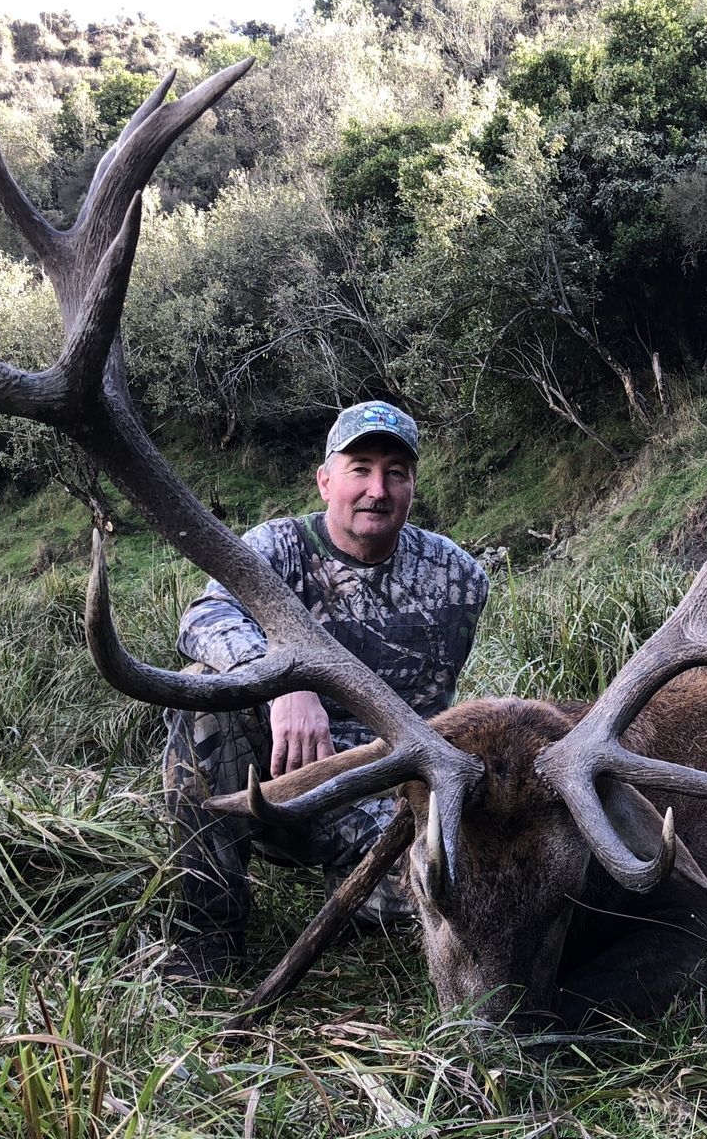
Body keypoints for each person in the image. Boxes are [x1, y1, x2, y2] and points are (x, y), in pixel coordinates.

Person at [162, 400, 489, 980]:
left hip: (385, 796)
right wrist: (285, 682)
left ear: (412, 486)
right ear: (325, 481)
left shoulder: (458, 577)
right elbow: (203, 618)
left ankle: (358, 898)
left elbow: (438, 710)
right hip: (276, 781)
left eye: (395, 472)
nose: (377, 490)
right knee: (203, 690)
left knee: (460, 890)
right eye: (360, 469)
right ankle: (205, 933)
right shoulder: (278, 548)